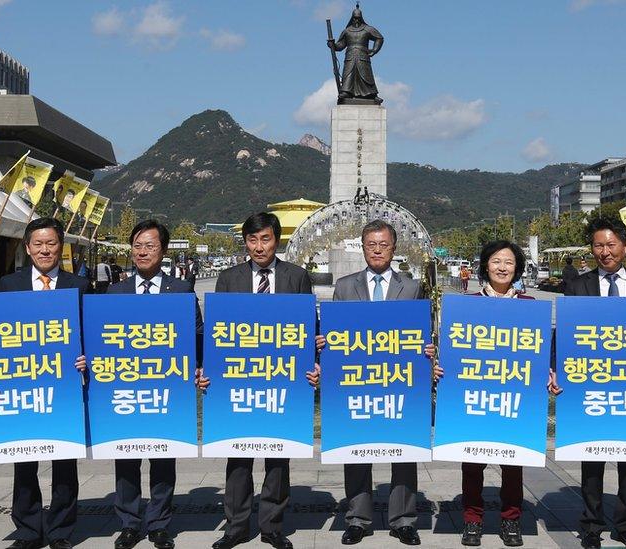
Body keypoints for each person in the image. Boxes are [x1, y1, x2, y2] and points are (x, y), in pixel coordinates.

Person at [0, 218, 90, 549]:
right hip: (23, 386)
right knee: (24, 460)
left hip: (62, 387)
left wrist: (86, 358)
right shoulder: (9, 283)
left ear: (61, 246)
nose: (45, 250)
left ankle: (60, 530)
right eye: (38, 244)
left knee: (64, 461)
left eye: (52, 244)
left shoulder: (79, 285)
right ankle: (29, 529)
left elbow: (88, 333)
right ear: (28, 247)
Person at [311, 219, 438, 547]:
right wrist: (326, 343)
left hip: (399, 382)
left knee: (404, 448)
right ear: (363, 247)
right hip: (358, 380)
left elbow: (421, 331)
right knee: (356, 447)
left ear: (394, 249)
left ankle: (404, 520)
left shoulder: (410, 287)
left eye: (384, 244)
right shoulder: (345, 286)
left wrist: (427, 347)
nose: (378, 249)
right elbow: (336, 333)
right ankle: (357, 519)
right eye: (371, 244)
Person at [208, 212, 315, 549]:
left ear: (276, 240)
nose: (258, 247)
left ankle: (272, 526)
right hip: (239, 379)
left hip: (282, 380)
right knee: (238, 454)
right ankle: (236, 526)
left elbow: (309, 327)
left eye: (265, 239)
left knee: (277, 455)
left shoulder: (297, 277)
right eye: (252, 240)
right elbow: (216, 332)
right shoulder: (228, 279)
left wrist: (314, 362)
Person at [560, 218, 626, 549]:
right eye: (598, 246)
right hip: (591, 381)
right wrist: (556, 369)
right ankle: (591, 523)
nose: (604, 252)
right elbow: (563, 332)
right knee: (592, 455)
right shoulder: (579, 285)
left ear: (625, 247)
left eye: (611, 245)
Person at [108, 219, 205, 549]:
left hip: (168, 387)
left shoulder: (180, 291)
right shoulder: (115, 291)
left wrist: (197, 366)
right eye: (137, 245)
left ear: (163, 250)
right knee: (126, 456)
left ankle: (160, 522)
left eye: (149, 245)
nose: (142, 252)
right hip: (127, 386)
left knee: (164, 455)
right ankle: (130, 522)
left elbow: (196, 334)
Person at [460, 240, 534, 548]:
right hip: (478, 393)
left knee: (513, 460)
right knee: (472, 461)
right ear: (485, 266)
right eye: (496, 261)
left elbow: (540, 351)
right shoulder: (468, 303)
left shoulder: (530, 305)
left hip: (514, 394)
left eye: (508, 262)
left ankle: (511, 519)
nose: (502, 267)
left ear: (517, 269)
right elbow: (455, 351)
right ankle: (472, 521)